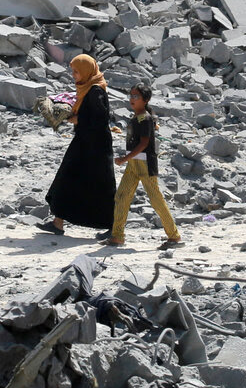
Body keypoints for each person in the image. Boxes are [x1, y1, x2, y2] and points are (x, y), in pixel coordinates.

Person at [37, 54, 115, 236]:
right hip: (84, 142)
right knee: (67, 178)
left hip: (96, 147)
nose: (73, 75)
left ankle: (114, 228)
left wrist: (74, 119)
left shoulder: (95, 91)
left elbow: (100, 120)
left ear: (87, 71)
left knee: (100, 187)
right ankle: (58, 223)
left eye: (76, 72)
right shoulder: (87, 88)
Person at [103, 82, 182, 250]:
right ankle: (117, 236)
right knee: (122, 197)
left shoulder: (145, 118)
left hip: (145, 164)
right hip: (134, 164)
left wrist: (124, 158)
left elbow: (144, 144)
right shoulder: (136, 117)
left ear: (145, 100)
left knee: (156, 199)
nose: (132, 99)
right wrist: (128, 160)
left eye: (136, 96)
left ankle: (174, 236)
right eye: (131, 95)